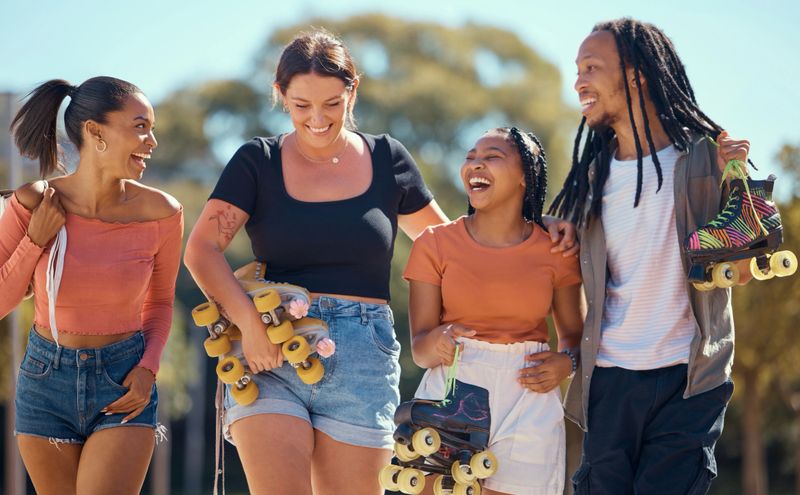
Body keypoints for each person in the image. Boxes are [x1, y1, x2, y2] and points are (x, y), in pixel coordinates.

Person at [184, 29, 579, 495]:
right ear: (281, 96)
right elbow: (201, 250)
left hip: (364, 355)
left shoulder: (388, 159)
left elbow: (456, 243)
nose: (317, 118)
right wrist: (248, 325)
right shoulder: (257, 161)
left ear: (353, 91)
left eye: (332, 103)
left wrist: (536, 225)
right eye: (301, 104)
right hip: (272, 349)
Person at [549, 18, 753, 494]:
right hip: (611, 379)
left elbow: (742, 270)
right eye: (577, 68)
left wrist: (737, 182)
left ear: (637, 73)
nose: (579, 80)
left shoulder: (705, 157)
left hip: (689, 378)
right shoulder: (591, 178)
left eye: (592, 67)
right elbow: (572, 273)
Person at [0, 77, 183, 495]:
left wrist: (147, 369)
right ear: (95, 132)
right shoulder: (34, 202)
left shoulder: (162, 212)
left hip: (124, 382)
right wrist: (35, 241)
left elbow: (160, 302)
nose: (151, 140)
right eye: (140, 126)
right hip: (45, 381)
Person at [403, 127, 584, 495]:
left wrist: (567, 363)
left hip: (529, 397)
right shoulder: (433, 244)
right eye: (470, 157)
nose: (475, 165)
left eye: (492, 157)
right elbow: (420, 349)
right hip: (452, 388)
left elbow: (576, 337)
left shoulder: (555, 249)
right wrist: (438, 340)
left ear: (524, 176)